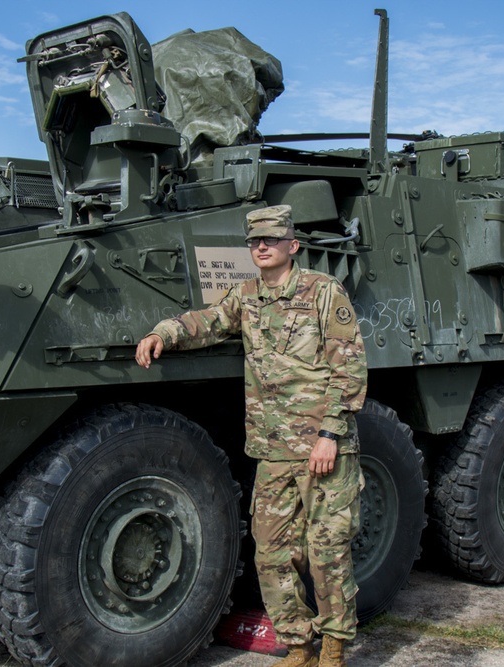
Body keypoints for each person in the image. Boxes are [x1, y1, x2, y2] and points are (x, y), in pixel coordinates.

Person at [136, 204, 367, 667]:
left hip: (323, 448)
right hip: (274, 450)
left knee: (327, 552)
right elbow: (207, 322)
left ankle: (335, 648)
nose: (261, 246)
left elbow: (351, 367)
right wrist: (163, 332)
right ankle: (299, 646)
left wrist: (330, 434)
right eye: (254, 241)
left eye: (271, 239)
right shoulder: (246, 297)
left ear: (292, 246)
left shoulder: (324, 293)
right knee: (272, 553)